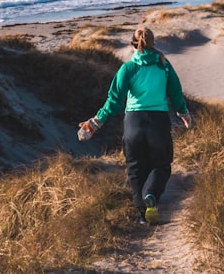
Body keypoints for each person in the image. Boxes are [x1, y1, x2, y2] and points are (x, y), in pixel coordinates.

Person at [78, 26, 192, 225]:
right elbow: (175, 92)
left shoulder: (128, 68)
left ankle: (142, 215)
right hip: (158, 122)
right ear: (153, 43)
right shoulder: (164, 65)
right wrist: (183, 113)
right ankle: (151, 196)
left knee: (135, 168)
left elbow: (114, 101)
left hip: (134, 123)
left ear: (133, 45)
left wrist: (95, 122)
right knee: (161, 165)